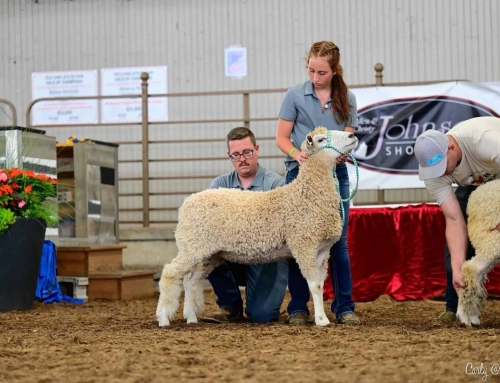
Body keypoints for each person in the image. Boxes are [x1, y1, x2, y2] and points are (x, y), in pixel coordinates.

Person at [275, 40, 360, 325]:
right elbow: (281, 138)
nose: (314, 77)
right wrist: (297, 154)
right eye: (311, 70)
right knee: (299, 242)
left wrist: (337, 157)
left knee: (338, 242)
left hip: (335, 177)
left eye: (321, 72)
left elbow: (346, 140)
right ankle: (299, 307)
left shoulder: (347, 99)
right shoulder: (295, 95)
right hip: (299, 175)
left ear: (335, 71)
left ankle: (344, 307)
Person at [414, 116, 500, 325]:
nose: (442, 172)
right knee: (455, 252)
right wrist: (458, 267)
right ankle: (454, 307)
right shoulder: (434, 173)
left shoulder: (485, 140)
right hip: (474, 185)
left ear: (451, 146)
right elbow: (453, 219)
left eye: (443, 165)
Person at [200, 127, 289, 324]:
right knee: (206, 249)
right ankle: (230, 306)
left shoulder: (275, 185)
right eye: (236, 155)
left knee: (262, 316)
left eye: (247, 152)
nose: (242, 159)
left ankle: (261, 301)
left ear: (257, 149)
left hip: (266, 257)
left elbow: (280, 228)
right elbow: (211, 223)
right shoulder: (219, 186)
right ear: (229, 155)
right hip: (232, 252)